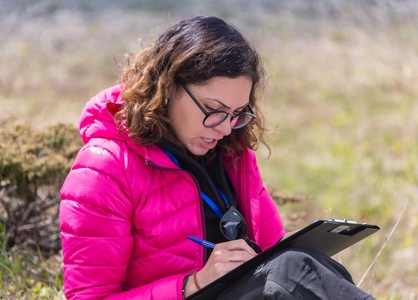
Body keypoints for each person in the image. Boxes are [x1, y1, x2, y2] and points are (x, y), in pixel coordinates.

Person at [59, 16, 375, 299]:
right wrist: (193, 285)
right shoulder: (106, 168)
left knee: (306, 263)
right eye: (214, 110)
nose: (224, 128)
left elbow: (270, 253)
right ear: (168, 87)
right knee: (291, 270)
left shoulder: (233, 157)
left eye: (237, 114)